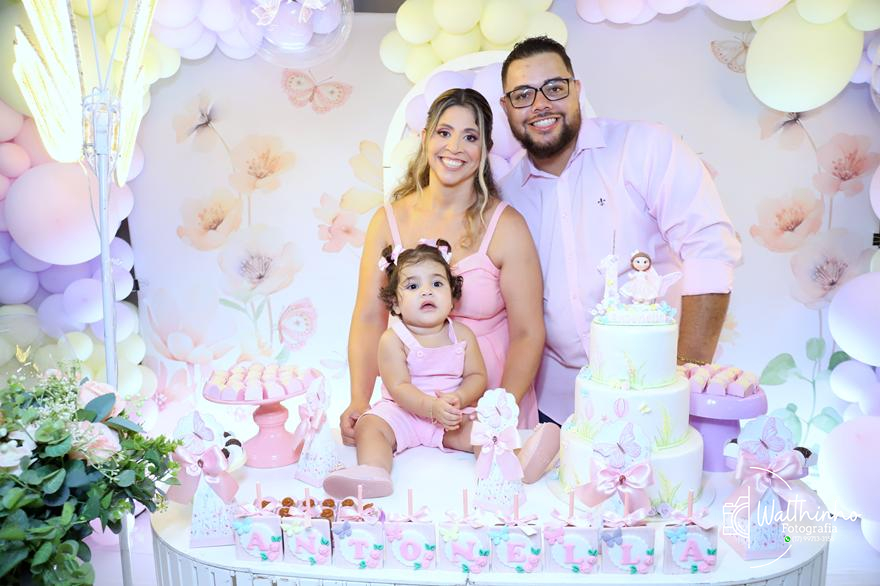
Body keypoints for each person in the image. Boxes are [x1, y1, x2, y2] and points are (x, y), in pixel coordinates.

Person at [499, 36, 743, 424]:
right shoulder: (505, 198)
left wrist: (684, 380)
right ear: (506, 108)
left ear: (577, 89)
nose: (540, 104)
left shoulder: (644, 147)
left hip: (661, 391)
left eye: (555, 88)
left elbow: (709, 248)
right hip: (558, 409)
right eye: (523, 95)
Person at [341, 88, 556, 441]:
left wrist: (501, 410)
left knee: (490, 471)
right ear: (425, 138)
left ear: (485, 149)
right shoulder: (387, 221)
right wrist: (358, 400)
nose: (454, 147)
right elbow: (368, 318)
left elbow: (527, 333)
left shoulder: (507, 227)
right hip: (411, 399)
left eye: (470, 137)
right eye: (444, 132)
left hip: (491, 394)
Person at [324, 240, 488, 497]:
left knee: (485, 430)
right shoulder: (393, 339)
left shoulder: (463, 335)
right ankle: (373, 471)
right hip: (402, 414)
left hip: (449, 416)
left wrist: (460, 397)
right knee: (370, 426)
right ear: (395, 304)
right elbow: (398, 386)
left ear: (452, 297)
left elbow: (477, 376)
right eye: (413, 286)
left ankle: (511, 463)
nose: (427, 291)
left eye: (437, 284)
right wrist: (430, 407)